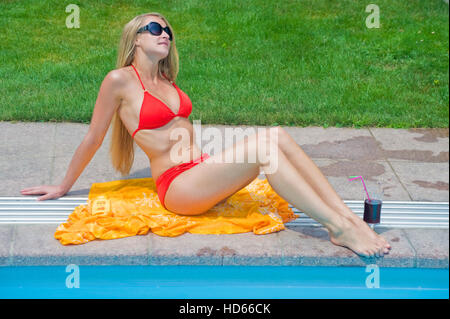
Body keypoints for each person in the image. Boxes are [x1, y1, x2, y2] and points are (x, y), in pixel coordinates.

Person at [20, 12, 391, 258]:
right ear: (135, 39)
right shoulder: (119, 81)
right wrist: (62, 185)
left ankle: (348, 220)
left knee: (278, 136)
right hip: (178, 189)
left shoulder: (165, 79)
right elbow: (93, 137)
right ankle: (337, 227)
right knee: (265, 149)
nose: (163, 33)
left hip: (198, 172)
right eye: (154, 28)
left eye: (167, 30)